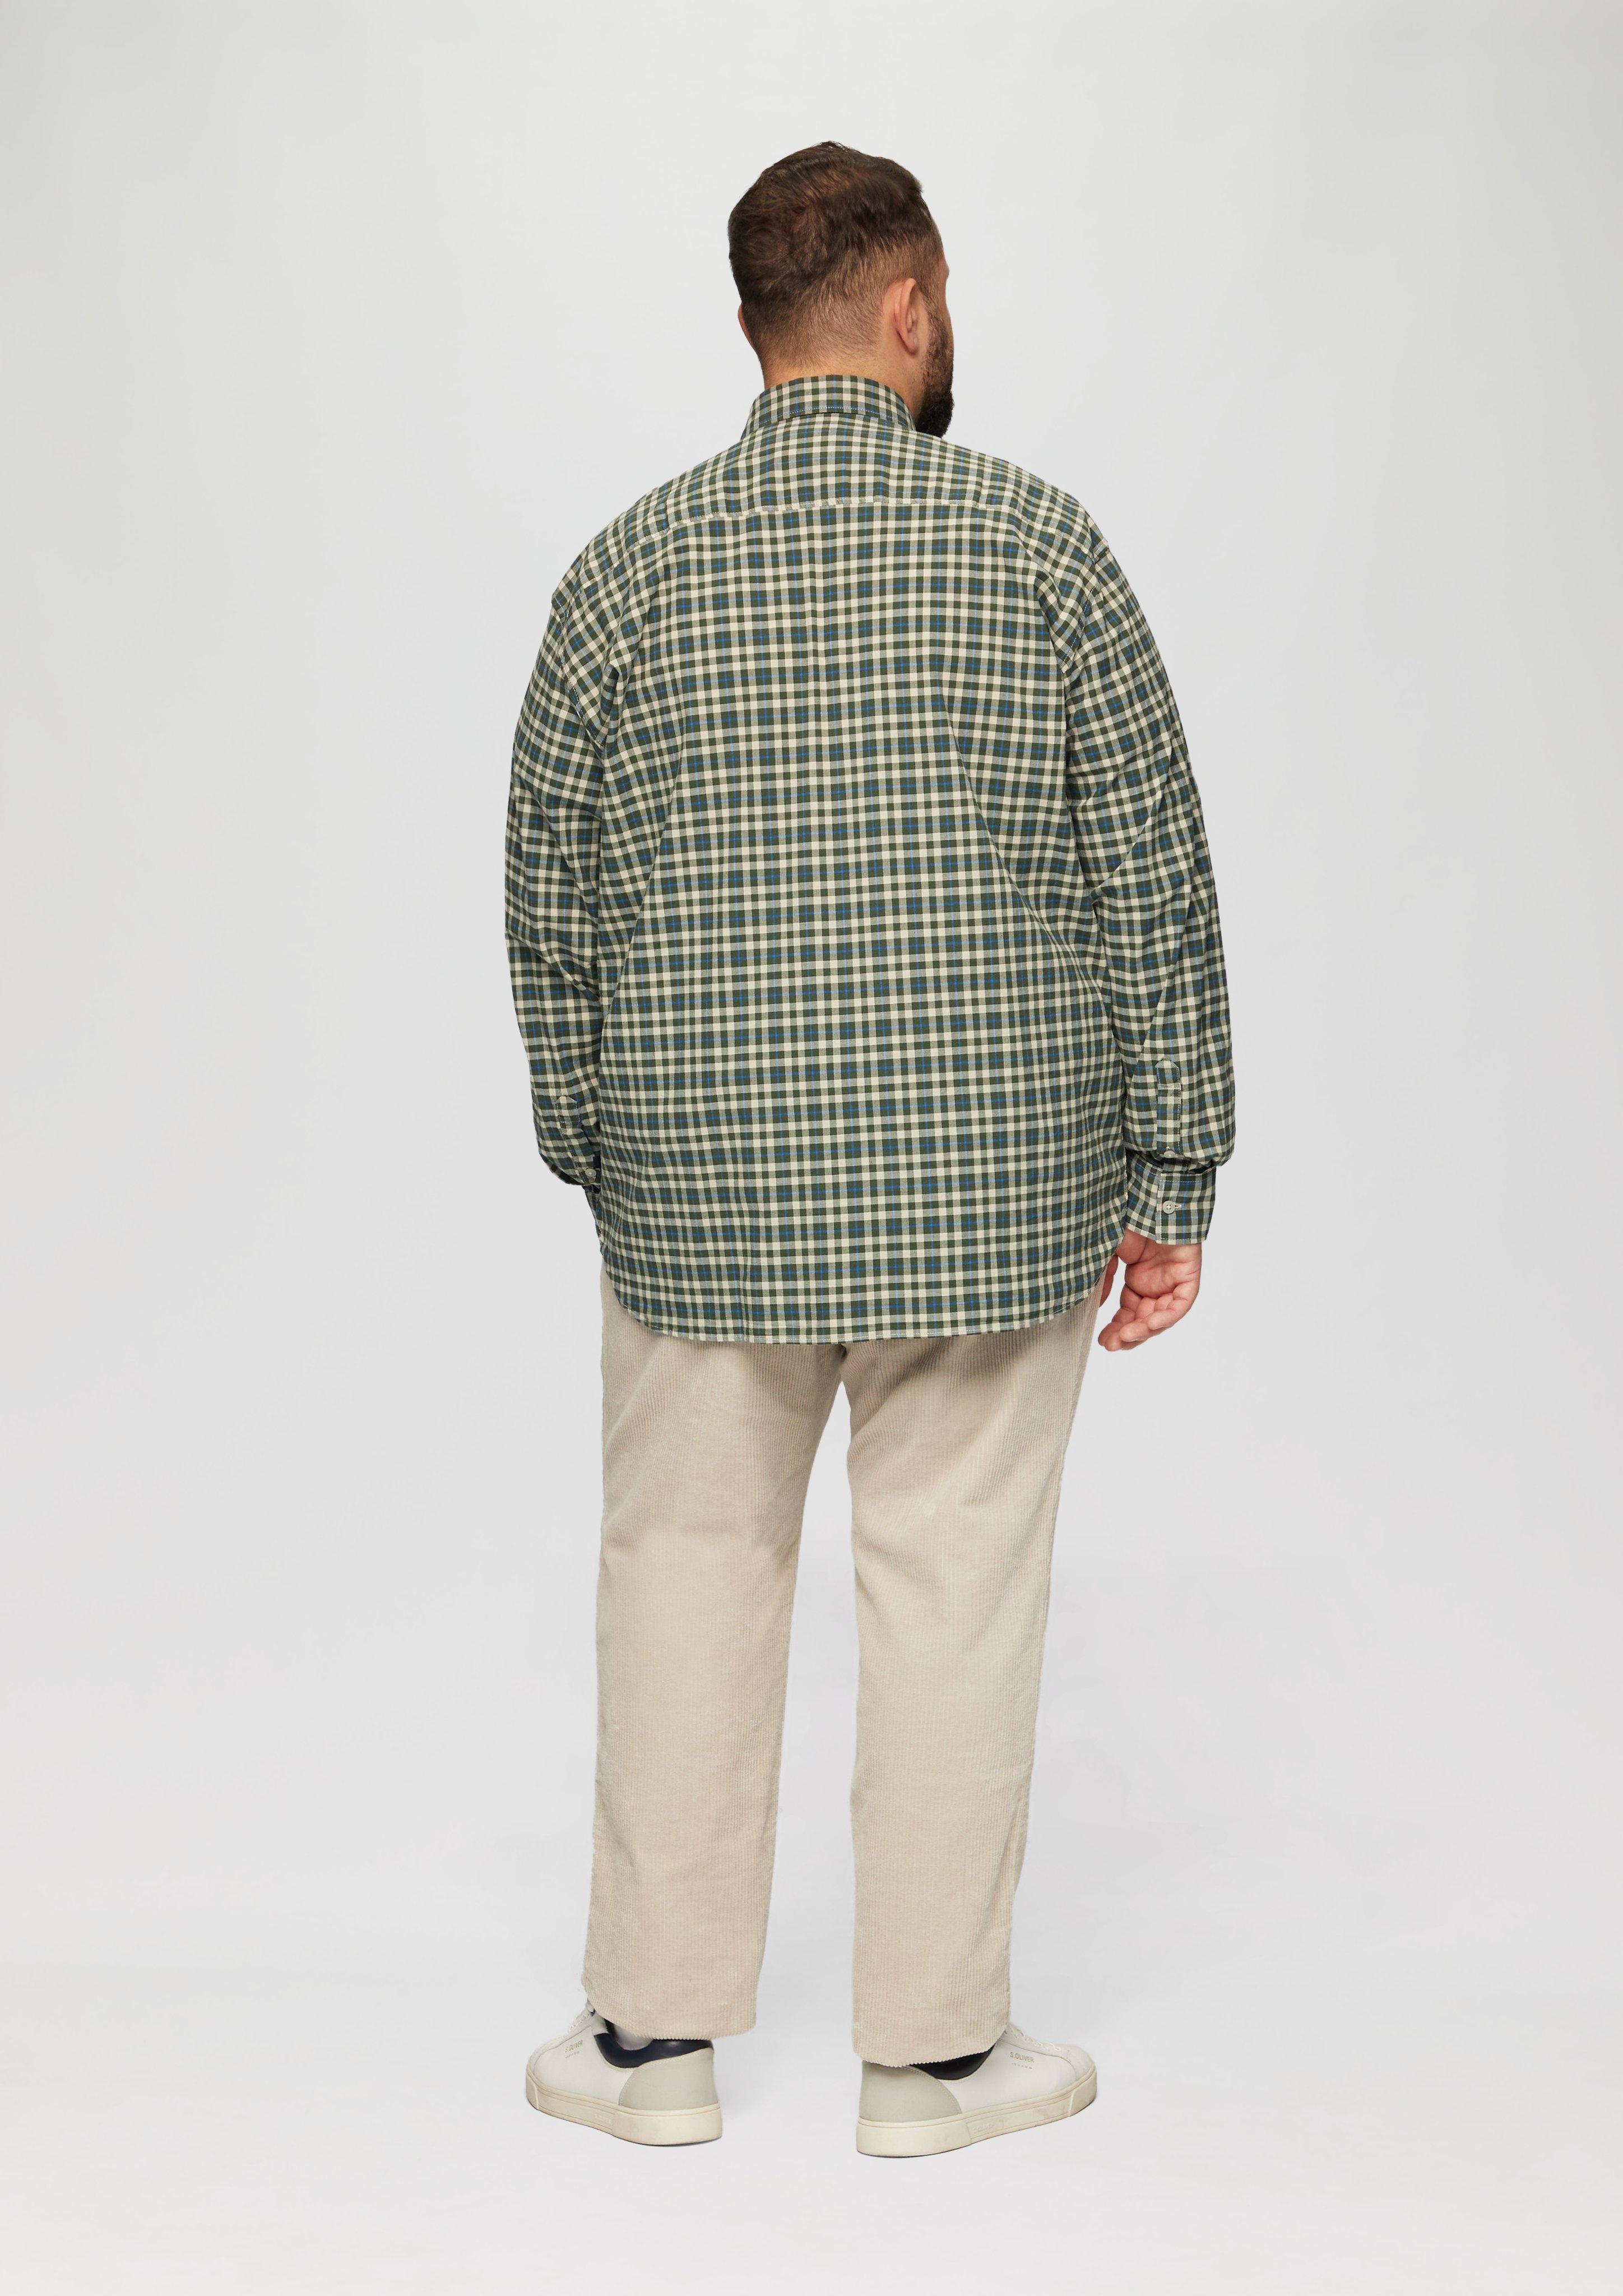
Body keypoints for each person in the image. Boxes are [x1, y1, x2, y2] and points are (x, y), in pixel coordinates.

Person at [505, 142, 1235, 2157]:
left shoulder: (626, 573)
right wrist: (1173, 1176)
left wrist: (596, 1146)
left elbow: (548, 901)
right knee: (957, 1587)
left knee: (683, 1572)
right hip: (997, 1198)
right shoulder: (1044, 549)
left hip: (701, 1202)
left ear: (755, 330)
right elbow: (1154, 878)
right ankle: (933, 2066)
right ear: (909, 309)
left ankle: (650, 2051)